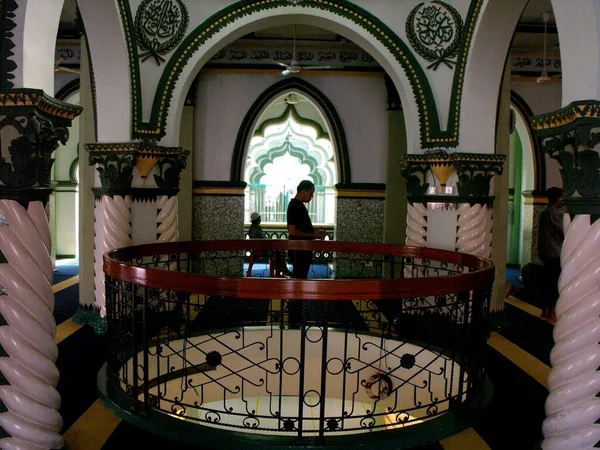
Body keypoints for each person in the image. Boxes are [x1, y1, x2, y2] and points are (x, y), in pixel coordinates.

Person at [286, 180, 325, 278]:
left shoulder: (299, 206)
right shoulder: (294, 206)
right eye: (311, 193)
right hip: (299, 250)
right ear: (304, 191)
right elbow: (293, 232)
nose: (311, 197)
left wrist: (313, 231)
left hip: (302, 249)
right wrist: (313, 235)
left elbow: (301, 227)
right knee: (299, 278)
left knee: (301, 277)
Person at [537, 186, 564, 323]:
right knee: (553, 284)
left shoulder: (545, 212)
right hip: (554, 253)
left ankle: (545, 311)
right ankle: (552, 313)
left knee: (547, 283)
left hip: (546, 252)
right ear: (557, 198)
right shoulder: (555, 213)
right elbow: (563, 231)